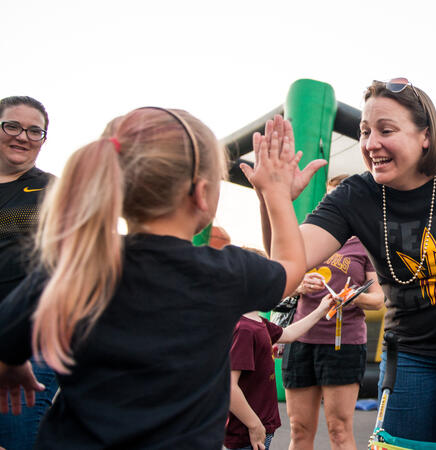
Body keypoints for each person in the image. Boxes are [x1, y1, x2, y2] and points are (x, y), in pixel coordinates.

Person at [255, 79, 436, 443]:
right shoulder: (354, 196)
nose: (370, 143)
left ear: (425, 134)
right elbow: (287, 263)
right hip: (410, 349)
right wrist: (273, 198)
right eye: (364, 131)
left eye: (385, 130)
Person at [0, 108, 306, 449]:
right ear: (202, 193)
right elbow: (292, 265)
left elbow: (6, 338)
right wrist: (276, 194)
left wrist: (12, 366)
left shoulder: (75, 266)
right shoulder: (224, 273)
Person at [281, 175, 384, 450]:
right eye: (330, 197)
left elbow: (378, 300)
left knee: (338, 429)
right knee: (299, 429)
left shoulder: (365, 242)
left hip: (344, 343)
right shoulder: (309, 235)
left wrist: (352, 297)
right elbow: (282, 281)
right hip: (301, 339)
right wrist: (298, 285)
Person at [225, 250, 335, 450]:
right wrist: (253, 424)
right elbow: (229, 386)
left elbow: (288, 334)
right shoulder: (244, 329)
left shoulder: (257, 322)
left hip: (259, 428)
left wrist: (321, 310)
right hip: (247, 433)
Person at [0, 96, 58, 450]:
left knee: (16, 439)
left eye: (34, 131)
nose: (23, 136)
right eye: (12, 126)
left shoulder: (54, 192)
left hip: (28, 342)